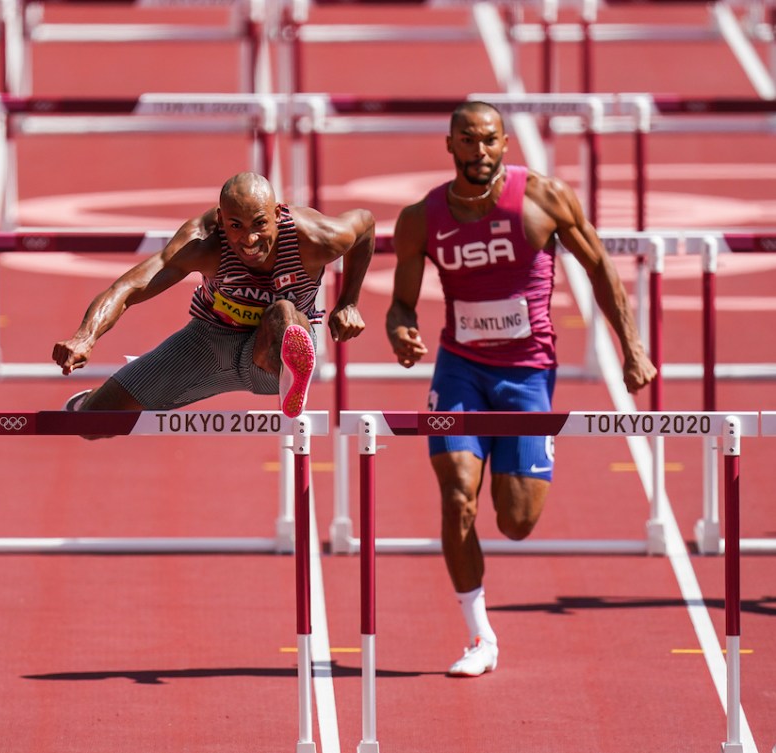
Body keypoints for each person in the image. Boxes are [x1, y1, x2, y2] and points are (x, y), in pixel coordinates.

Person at [386, 101, 657, 677]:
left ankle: (495, 560)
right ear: (450, 144)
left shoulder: (543, 198)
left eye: (488, 141)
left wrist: (632, 349)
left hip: (528, 373)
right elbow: (402, 304)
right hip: (459, 370)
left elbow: (602, 267)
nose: (478, 151)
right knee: (458, 494)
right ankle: (480, 636)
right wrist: (401, 332)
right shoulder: (422, 218)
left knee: (515, 521)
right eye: (467, 140)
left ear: (505, 144)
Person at [52, 172, 375, 425]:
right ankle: (91, 404)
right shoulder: (202, 242)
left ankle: (292, 377)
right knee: (93, 421)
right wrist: (85, 336)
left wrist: (348, 301)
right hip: (207, 341)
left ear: (277, 214)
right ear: (221, 220)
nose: (249, 239)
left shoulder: (317, 238)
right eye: (236, 226)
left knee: (284, 314)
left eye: (260, 224)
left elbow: (365, 224)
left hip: (270, 356)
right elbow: (129, 288)